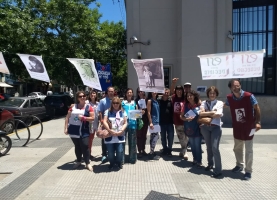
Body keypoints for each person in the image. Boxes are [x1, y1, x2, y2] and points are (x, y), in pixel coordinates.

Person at [225, 79, 261, 180]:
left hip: (249, 126)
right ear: (230, 88)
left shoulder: (249, 96)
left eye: (237, 85)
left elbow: (257, 108)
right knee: (237, 148)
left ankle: (248, 171)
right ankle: (239, 165)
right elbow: (225, 106)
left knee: (249, 150)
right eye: (233, 86)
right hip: (237, 126)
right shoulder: (229, 98)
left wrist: (258, 122)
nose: (236, 87)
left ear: (240, 85)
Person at [64, 91, 95, 171]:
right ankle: (78, 161)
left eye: (83, 96)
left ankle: (87, 163)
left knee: (85, 146)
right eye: (80, 96)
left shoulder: (89, 107)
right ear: (77, 98)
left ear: (85, 97)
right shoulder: (73, 107)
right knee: (77, 146)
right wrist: (66, 128)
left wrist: (84, 118)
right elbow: (67, 117)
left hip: (84, 130)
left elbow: (92, 118)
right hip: (73, 130)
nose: (82, 97)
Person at [199, 86, 223, 178]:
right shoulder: (204, 102)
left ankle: (218, 170)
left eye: (213, 93)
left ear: (216, 94)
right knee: (208, 147)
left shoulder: (219, 103)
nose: (212, 95)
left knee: (215, 148)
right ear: (208, 94)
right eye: (210, 93)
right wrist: (212, 112)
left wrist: (207, 113)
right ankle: (210, 164)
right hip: (205, 127)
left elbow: (218, 114)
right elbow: (200, 114)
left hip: (215, 127)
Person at [102, 97, 128, 170]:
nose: (115, 104)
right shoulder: (108, 111)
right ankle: (112, 163)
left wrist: (121, 131)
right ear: (112, 104)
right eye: (114, 103)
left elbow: (125, 122)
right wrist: (110, 130)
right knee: (110, 152)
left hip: (120, 134)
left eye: (117, 103)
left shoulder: (123, 112)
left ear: (119, 103)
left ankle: (119, 162)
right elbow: (104, 121)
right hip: (110, 134)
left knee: (120, 151)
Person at [180, 90, 202, 168]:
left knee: (197, 145)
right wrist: (186, 119)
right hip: (189, 127)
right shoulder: (185, 105)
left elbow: (202, 115)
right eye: (188, 96)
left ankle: (199, 161)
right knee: (192, 145)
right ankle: (194, 159)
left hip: (197, 127)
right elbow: (181, 116)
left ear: (194, 96)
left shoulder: (199, 105)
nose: (189, 97)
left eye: (191, 95)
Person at [170, 79, 188, 159]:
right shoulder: (174, 98)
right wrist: (173, 83)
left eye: (180, 90)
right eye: (177, 90)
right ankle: (184, 150)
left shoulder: (185, 98)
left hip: (186, 120)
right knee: (180, 136)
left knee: (186, 137)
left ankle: (184, 151)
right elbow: (170, 91)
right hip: (177, 121)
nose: (179, 92)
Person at [122, 88, 139, 164]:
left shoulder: (134, 103)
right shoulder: (122, 103)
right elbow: (120, 112)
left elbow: (137, 114)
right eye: (128, 92)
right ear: (126, 94)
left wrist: (140, 112)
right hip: (124, 125)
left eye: (130, 92)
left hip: (132, 124)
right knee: (122, 142)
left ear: (132, 94)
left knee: (132, 142)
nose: (129, 94)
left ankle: (132, 158)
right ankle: (121, 158)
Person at [97, 86, 115, 163]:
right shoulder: (102, 101)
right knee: (105, 138)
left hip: (114, 122)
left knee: (113, 138)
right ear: (107, 92)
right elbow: (100, 111)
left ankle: (112, 153)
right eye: (109, 91)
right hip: (105, 122)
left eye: (112, 91)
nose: (111, 93)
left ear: (114, 92)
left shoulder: (115, 100)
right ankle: (104, 154)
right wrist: (101, 121)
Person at [159, 88, 174, 156]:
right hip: (162, 123)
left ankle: (170, 149)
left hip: (170, 123)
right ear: (162, 93)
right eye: (165, 92)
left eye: (167, 93)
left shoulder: (171, 101)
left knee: (170, 137)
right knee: (163, 137)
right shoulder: (159, 101)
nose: (166, 94)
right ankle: (165, 149)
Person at [135, 88, 149, 158]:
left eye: (141, 91)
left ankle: (143, 149)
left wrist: (144, 111)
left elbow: (148, 110)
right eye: (139, 92)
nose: (140, 93)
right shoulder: (135, 101)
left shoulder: (146, 100)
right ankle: (139, 150)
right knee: (139, 136)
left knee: (144, 136)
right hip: (139, 121)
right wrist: (139, 112)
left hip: (145, 120)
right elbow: (134, 113)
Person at [147, 92, 160, 160]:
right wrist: (150, 122)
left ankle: (152, 151)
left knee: (155, 137)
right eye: (153, 91)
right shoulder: (150, 101)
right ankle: (151, 153)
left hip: (157, 121)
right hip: (153, 122)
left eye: (155, 91)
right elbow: (148, 112)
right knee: (154, 137)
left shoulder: (157, 101)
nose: (154, 93)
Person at [87, 90, 99, 160]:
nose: (93, 95)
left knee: (91, 139)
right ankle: (88, 154)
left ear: (96, 95)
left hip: (95, 124)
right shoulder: (87, 103)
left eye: (94, 93)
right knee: (89, 140)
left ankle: (88, 153)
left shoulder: (98, 103)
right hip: (88, 124)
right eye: (91, 93)